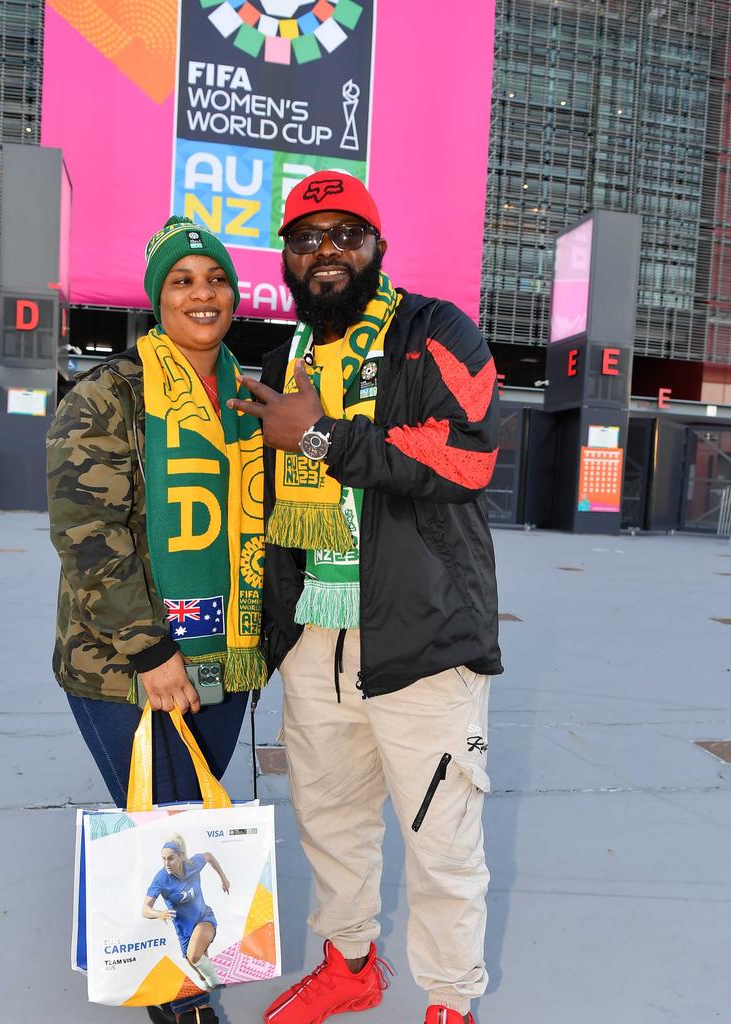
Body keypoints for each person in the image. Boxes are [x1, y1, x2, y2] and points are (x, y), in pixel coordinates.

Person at [227, 171, 502, 1024]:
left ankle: (451, 1003)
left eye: (347, 234)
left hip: (423, 635)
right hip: (317, 633)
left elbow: (465, 461)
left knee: (441, 838)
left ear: (378, 248)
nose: (328, 251)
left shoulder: (435, 331)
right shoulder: (283, 360)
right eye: (308, 238)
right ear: (288, 258)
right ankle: (350, 964)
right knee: (331, 820)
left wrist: (317, 433)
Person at [47, 216, 267, 1024]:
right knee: (161, 828)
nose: (201, 293)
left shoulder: (249, 397)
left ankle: (181, 982)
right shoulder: (109, 393)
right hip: (125, 668)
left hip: (226, 662)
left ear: (234, 295)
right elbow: (85, 534)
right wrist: (148, 652)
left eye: (214, 278)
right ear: (156, 298)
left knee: (191, 827)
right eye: (182, 280)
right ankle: (180, 1004)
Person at [143, 835, 230, 990]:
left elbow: (209, 856)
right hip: (184, 930)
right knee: (201, 972)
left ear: (181, 857)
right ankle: (211, 992)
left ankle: (219, 987)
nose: (166, 864)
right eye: (163, 859)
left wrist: (223, 878)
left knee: (194, 956)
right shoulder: (161, 879)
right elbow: (145, 909)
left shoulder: (193, 864)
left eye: (170, 858)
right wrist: (159, 913)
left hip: (203, 918)